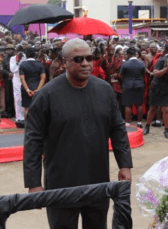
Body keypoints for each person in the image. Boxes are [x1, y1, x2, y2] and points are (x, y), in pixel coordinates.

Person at [23, 38, 133, 229]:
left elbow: (117, 130)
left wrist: (125, 165)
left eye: (89, 58)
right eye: (78, 59)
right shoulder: (47, 95)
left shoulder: (104, 90)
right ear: (64, 62)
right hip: (61, 183)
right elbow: (33, 140)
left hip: (97, 180)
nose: (85, 63)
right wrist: (34, 183)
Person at [143, 48, 168, 139]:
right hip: (157, 88)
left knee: (166, 109)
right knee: (153, 108)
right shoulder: (161, 62)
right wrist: (167, 68)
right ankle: (147, 126)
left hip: (167, 89)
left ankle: (166, 130)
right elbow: (156, 74)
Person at [120, 47, 145, 128]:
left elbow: (120, 75)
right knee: (139, 104)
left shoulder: (125, 64)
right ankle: (140, 122)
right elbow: (143, 73)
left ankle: (127, 123)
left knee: (128, 105)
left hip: (127, 85)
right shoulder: (141, 63)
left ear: (128, 54)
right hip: (139, 85)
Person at [19, 48, 46, 120]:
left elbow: (22, 79)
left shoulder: (22, 65)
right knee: (38, 109)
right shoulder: (39, 64)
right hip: (37, 87)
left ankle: (27, 127)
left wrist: (27, 90)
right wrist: (38, 90)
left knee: (27, 109)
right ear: (35, 55)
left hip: (26, 88)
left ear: (26, 55)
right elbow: (43, 78)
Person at [10, 44, 26, 128]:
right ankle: (18, 118)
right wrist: (17, 61)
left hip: (24, 81)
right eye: (18, 51)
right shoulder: (12, 59)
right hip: (16, 81)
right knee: (17, 99)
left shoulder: (25, 57)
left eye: (21, 51)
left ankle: (24, 117)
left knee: (24, 99)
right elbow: (13, 70)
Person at [2, 44, 15, 118]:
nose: (9, 50)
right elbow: (3, 69)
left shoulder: (15, 58)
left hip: (16, 78)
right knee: (8, 95)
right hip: (8, 79)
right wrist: (8, 74)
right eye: (7, 49)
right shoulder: (5, 59)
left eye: (10, 49)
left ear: (13, 50)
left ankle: (14, 111)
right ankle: (9, 111)